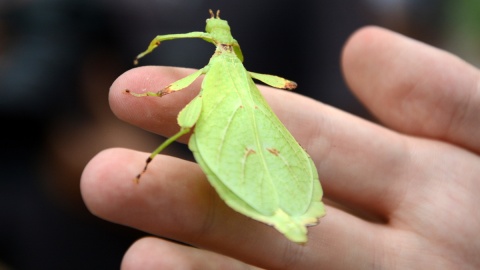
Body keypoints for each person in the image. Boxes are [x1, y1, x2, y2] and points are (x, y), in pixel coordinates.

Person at [80, 26, 480, 269]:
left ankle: (154, 159)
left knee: (190, 118)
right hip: (241, 92)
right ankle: (158, 158)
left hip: (241, 93)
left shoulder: (223, 63)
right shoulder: (227, 61)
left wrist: (151, 77)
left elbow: (167, 48)